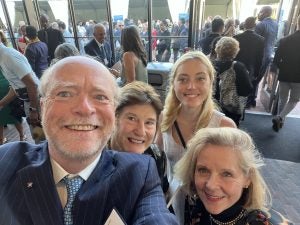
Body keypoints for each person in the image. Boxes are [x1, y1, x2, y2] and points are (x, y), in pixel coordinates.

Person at [0, 56, 178, 225]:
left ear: (113, 112)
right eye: (65, 93)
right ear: (42, 106)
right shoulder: (6, 160)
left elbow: (156, 217)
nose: (84, 109)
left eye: (100, 96)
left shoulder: (139, 173)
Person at [155, 51, 236, 224]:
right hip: (174, 205)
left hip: (210, 210)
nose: (191, 86)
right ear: (174, 84)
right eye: (183, 79)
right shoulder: (164, 119)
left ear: (211, 83)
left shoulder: (224, 126)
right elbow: (156, 161)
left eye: (200, 78)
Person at [174, 127, 273, 224]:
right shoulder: (194, 204)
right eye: (203, 170)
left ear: (248, 179)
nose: (211, 185)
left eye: (227, 174)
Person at [109, 81, 166, 181]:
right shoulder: (92, 158)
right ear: (115, 118)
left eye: (149, 122)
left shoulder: (156, 157)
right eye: (132, 119)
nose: (141, 131)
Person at [0, 34, 40, 126]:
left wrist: (33, 109)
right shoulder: (2, 58)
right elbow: (16, 87)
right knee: (38, 136)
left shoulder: (8, 56)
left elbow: (32, 84)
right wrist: (1, 104)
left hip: (37, 101)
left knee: (42, 137)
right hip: (29, 101)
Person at [213, 37, 253, 126]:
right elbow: (247, 89)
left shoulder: (210, 65)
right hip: (231, 108)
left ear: (217, 49)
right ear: (235, 51)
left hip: (212, 107)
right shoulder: (238, 67)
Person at [271, 15, 300, 132]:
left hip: (284, 74)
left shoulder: (285, 40)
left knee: (283, 98)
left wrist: (281, 68)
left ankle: (280, 120)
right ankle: (280, 117)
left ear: (296, 22)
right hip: (298, 77)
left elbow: (276, 60)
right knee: (294, 100)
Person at [234, 17, 264, 108]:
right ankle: (243, 106)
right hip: (251, 67)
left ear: (245, 25)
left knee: (236, 86)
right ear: (254, 25)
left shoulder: (236, 37)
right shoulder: (260, 39)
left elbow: (234, 54)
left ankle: (235, 105)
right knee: (246, 87)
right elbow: (260, 58)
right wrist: (257, 72)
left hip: (237, 66)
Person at [255, 6, 278, 77]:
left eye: (261, 11)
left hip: (259, 55)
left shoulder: (260, 24)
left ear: (266, 13)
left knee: (254, 78)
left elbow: (255, 42)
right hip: (268, 54)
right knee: (260, 76)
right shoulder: (276, 24)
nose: (259, 13)